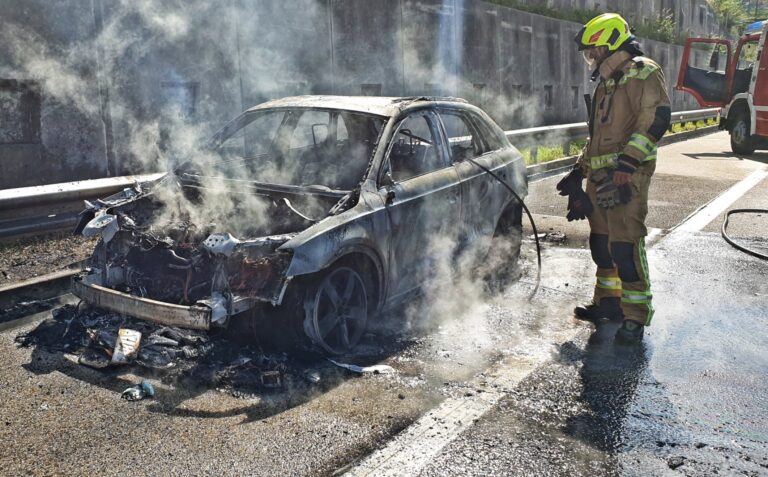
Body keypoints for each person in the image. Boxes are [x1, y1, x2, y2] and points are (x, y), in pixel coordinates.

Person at [557, 13, 671, 343]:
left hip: (627, 178)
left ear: (609, 45)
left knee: (624, 246)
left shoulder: (643, 72)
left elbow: (654, 121)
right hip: (601, 176)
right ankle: (608, 303)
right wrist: (579, 170)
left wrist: (627, 165)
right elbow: (599, 137)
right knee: (601, 245)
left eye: (593, 51)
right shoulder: (607, 82)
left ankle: (635, 315)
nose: (590, 59)